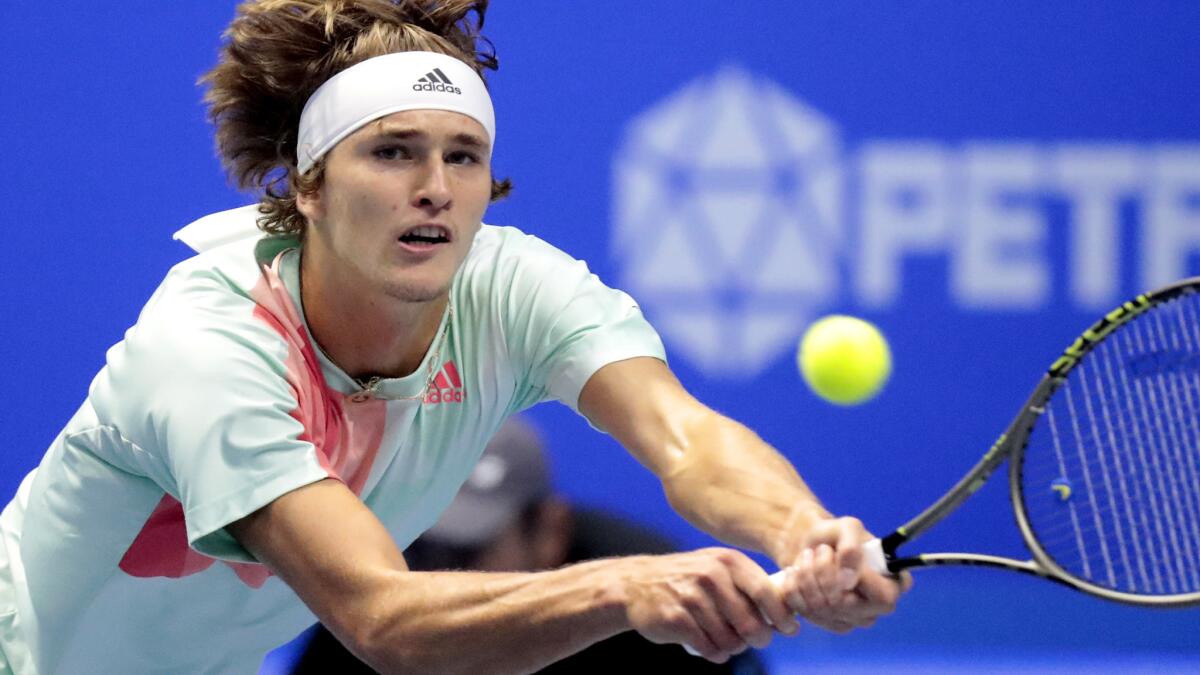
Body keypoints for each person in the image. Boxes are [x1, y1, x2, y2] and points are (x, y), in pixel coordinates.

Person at [0, 1, 908, 673]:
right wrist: (625, 588)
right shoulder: (209, 350)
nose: (434, 186)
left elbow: (685, 437)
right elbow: (383, 620)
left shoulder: (510, 286)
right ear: (307, 187)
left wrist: (805, 534)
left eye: (462, 154)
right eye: (393, 150)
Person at [289, 417, 769, 674]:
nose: (439, 574)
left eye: (468, 553)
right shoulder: (384, 591)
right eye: (430, 548)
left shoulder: (656, 613)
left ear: (550, 531)